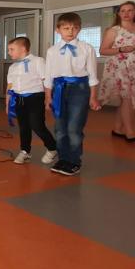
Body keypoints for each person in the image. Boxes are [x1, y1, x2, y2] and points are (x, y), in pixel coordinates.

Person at [44, 13, 101, 176]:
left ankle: (74, 161)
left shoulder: (87, 48)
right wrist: (48, 97)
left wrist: (93, 97)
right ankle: (63, 158)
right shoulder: (52, 51)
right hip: (59, 89)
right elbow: (48, 76)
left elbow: (92, 75)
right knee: (60, 128)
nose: (70, 31)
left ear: (79, 29)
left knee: (74, 127)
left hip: (79, 89)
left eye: (74, 28)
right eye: (66, 28)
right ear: (58, 30)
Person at [98, 1, 135, 142]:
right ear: (118, 13)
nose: (126, 13)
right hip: (120, 67)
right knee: (128, 98)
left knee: (130, 99)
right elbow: (103, 50)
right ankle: (130, 132)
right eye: (123, 10)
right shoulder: (113, 30)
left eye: (130, 10)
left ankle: (117, 129)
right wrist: (121, 49)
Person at [5, 37, 58, 165]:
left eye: (12, 49)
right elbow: (9, 86)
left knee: (37, 125)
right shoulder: (12, 67)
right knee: (23, 127)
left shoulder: (38, 61)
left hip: (35, 98)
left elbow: (46, 80)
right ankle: (25, 151)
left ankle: (52, 147)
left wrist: (48, 98)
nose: (9, 52)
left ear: (23, 49)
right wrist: (7, 104)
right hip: (19, 99)